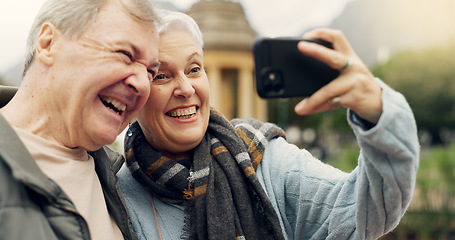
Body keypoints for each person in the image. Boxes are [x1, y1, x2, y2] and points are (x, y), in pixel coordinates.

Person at [117, 9, 420, 240]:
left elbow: (366, 210)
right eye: (162, 75)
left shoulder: (265, 160)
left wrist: (378, 112)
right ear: (135, 91)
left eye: (194, 68)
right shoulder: (114, 192)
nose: (186, 88)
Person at [0, 0, 161, 239]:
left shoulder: (125, 180)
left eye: (151, 72)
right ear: (48, 44)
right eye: (125, 54)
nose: (142, 84)